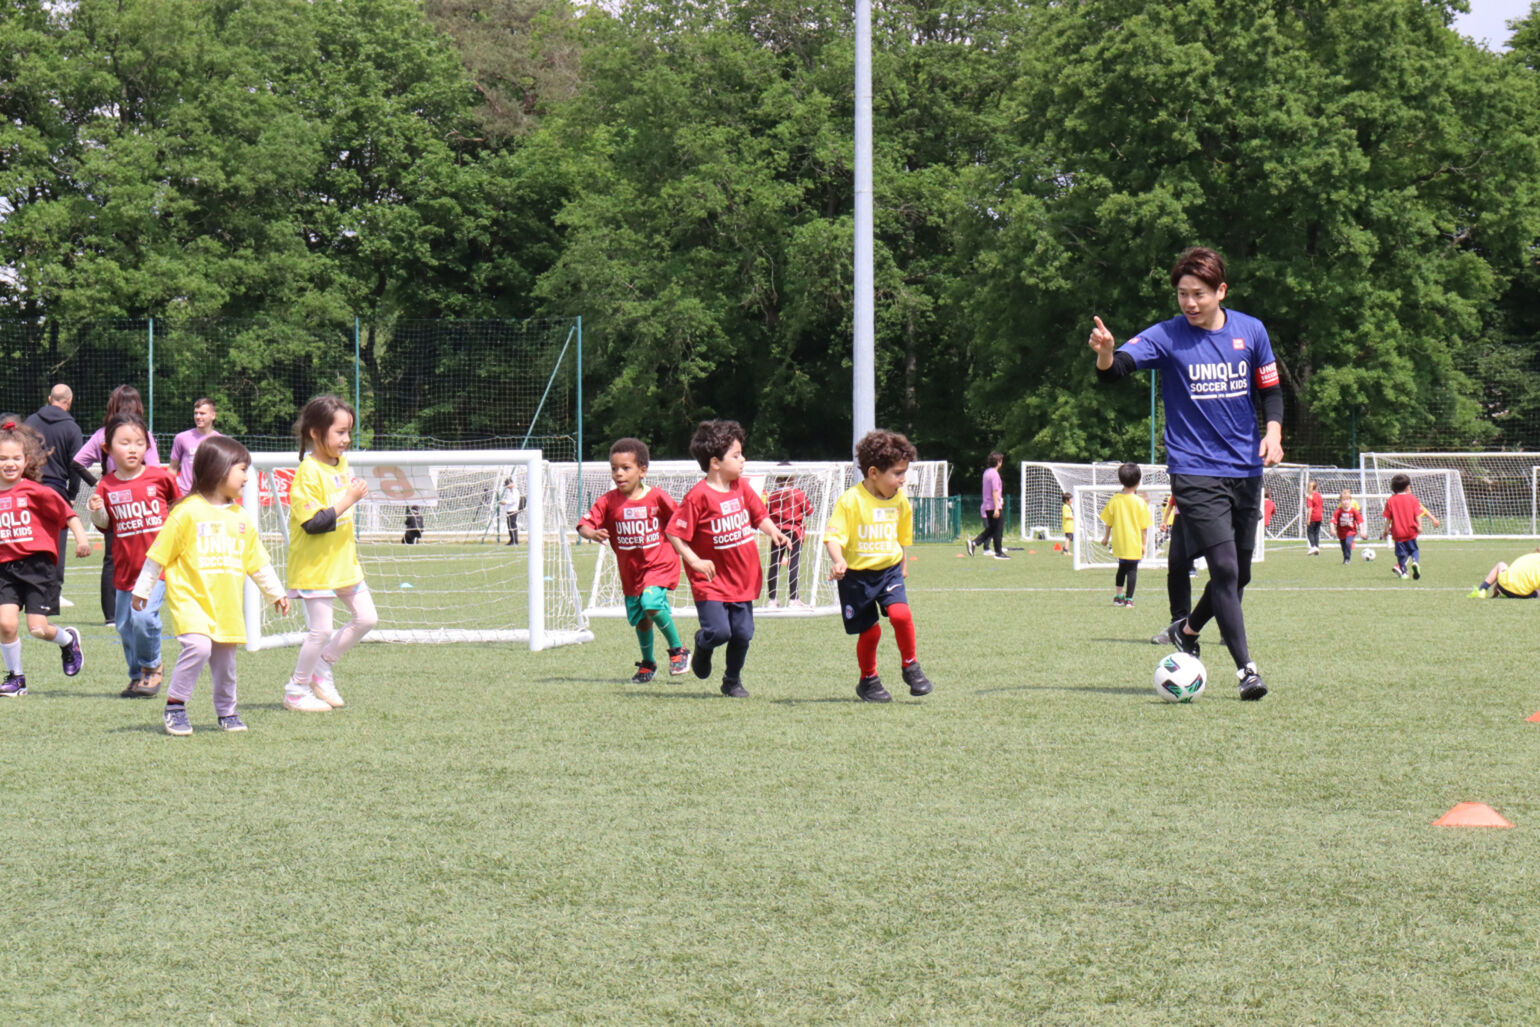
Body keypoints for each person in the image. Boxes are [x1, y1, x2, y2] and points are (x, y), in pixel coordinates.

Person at [1089, 246, 1283, 700]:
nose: (1190, 303)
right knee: (1226, 568)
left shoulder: (1251, 331)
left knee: (1239, 576)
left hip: (1245, 469)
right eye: (1182, 294)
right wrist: (1104, 353)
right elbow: (1114, 370)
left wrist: (1272, 432)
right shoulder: (1167, 336)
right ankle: (1246, 671)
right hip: (1194, 470)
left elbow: (1271, 391)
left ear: (1221, 291)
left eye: (1198, 294)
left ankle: (1189, 629)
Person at [132, 437, 288, 734]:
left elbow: (257, 561)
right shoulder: (187, 512)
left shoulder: (241, 517)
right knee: (199, 647)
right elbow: (158, 556)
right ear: (219, 470)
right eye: (242, 469)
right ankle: (175, 706)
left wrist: (276, 592)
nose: (246, 476)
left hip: (226, 606)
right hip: (191, 600)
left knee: (225, 663)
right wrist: (143, 589)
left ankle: (227, 712)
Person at [665, 420, 790, 698]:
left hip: (742, 578)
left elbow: (760, 516)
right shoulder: (698, 496)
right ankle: (702, 643)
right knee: (719, 632)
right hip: (710, 581)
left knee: (742, 634)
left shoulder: (742, 488)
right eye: (736, 455)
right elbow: (674, 533)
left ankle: (732, 681)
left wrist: (775, 532)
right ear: (715, 463)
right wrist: (695, 561)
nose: (743, 460)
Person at [282, 396, 376, 713]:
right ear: (314, 432)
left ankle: (322, 667)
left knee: (367, 618)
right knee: (320, 630)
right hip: (315, 566)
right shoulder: (307, 472)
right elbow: (313, 523)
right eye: (339, 432)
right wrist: (348, 499)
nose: (346, 439)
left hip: (343, 561)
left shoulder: (342, 464)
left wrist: (350, 494)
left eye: (349, 432)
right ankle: (296, 689)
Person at [824, 429, 932, 703]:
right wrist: (838, 561)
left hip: (889, 571)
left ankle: (911, 666)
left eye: (904, 472)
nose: (902, 479)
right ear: (873, 473)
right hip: (856, 577)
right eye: (897, 473)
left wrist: (903, 563)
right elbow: (833, 537)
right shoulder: (850, 501)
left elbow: (901, 536)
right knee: (871, 631)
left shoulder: (900, 500)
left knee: (900, 615)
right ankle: (868, 679)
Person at [577, 437, 689, 683]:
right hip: (632, 571)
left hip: (660, 563)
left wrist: (691, 549)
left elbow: (681, 520)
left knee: (651, 601)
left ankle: (678, 649)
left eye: (626, 468)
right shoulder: (607, 501)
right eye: (614, 468)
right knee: (642, 619)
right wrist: (592, 533)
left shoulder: (658, 497)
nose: (619, 473)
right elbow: (583, 525)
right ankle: (648, 663)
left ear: (642, 471)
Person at [88, 413, 178, 698]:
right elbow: (104, 525)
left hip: (155, 567)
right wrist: (95, 509)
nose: (133, 448)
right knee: (125, 626)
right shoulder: (106, 485)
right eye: (125, 442)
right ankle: (136, 674)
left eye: (140, 443)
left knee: (143, 618)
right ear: (108, 448)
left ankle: (152, 667)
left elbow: (178, 506)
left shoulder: (160, 477)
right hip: (125, 569)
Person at [0, 420, 91, 697]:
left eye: (16, 458)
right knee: (5, 624)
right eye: (3, 458)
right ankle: (16, 678)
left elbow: (68, 514)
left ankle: (67, 640)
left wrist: (82, 538)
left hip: (37, 568)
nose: (10, 463)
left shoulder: (36, 491)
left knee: (37, 629)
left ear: (26, 460)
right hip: (5, 569)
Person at [73, 385, 164, 624]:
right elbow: (154, 469)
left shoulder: (102, 434)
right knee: (147, 552)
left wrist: (99, 482)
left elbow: (77, 462)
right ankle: (144, 604)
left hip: (113, 499)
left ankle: (112, 616)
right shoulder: (142, 434)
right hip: (140, 502)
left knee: (113, 557)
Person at [24, 384, 86, 608]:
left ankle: (25, 590)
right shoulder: (71, 428)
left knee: (28, 538)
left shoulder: (30, 422)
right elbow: (77, 465)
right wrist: (72, 493)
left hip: (30, 488)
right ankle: (53, 594)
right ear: (69, 401)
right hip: (57, 490)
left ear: (50, 398)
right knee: (56, 543)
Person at [1099, 463, 1153, 608]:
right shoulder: (1140, 502)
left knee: (1121, 568)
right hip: (1133, 542)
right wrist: (1143, 544)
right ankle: (1129, 599)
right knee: (1132, 569)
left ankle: (1118, 597)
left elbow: (1108, 522)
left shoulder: (1115, 499)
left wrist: (1105, 537)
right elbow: (1144, 527)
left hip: (1119, 542)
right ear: (1138, 481)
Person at [765, 467, 811, 606]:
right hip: (794, 532)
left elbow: (766, 513)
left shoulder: (772, 495)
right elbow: (809, 510)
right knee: (794, 564)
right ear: (792, 478)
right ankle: (793, 599)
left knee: (774, 564)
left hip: (778, 533)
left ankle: (772, 599)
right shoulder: (798, 494)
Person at [1381, 474, 1439, 580]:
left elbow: (1388, 519)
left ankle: (1404, 572)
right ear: (1407, 487)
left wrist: (1385, 531)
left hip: (1398, 532)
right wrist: (1420, 526)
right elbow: (1417, 514)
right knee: (1414, 550)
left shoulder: (1390, 500)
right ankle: (1415, 562)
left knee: (1401, 554)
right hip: (1411, 530)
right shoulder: (1412, 498)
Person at [166, 398, 221, 499]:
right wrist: (170, 493)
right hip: (185, 495)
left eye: (202, 413)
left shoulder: (221, 441)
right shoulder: (181, 438)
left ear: (213, 415)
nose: (198, 417)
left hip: (209, 496)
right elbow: (173, 468)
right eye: (196, 413)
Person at [966, 452, 1008, 559]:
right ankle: (998, 552)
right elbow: (994, 491)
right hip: (993, 505)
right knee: (998, 528)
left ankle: (974, 543)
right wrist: (997, 507)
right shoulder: (994, 474)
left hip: (986, 505)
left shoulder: (986, 472)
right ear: (999, 462)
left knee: (992, 528)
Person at [1468, 546, 1540, 599]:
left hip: (1503, 586)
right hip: (1522, 594)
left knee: (1501, 564)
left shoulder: (1528, 556)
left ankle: (1482, 590)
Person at [1331, 488, 1363, 564]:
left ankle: (1348, 559)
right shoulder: (1338, 511)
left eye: (1347, 500)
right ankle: (1345, 558)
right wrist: (1332, 529)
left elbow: (1360, 521)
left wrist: (1362, 531)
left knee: (1348, 543)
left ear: (1350, 501)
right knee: (1344, 547)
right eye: (1343, 500)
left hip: (1351, 532)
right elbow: (1332, 521)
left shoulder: (1354, 511)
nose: (1345, 502)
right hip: (1341, 533)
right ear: (1340, 502)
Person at [499, 476, 522, 545]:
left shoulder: (515, 491)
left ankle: (515, 540)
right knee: (509, 526)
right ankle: (512, 540)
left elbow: (513, 500)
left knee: (513, 525)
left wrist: (505, 502)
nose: (507, 487)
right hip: (509, 510)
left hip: (513, 510)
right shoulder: (509, 491)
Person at [1305, 480, 1324, 555]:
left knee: (1310, 532)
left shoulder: (1310, 497)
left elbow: (1310, 508)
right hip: (1319, 516)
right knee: (1316, 533)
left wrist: (1308, 519)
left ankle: (1313, 547)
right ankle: (1317, 548)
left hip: (1313, 516)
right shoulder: (1319, 495)